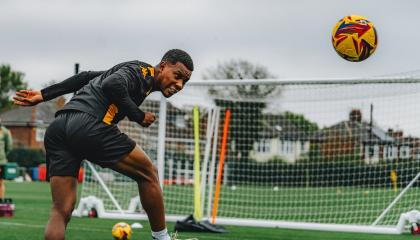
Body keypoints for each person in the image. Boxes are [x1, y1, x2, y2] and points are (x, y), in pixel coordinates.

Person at [13, 49, 193, 240]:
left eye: (185, 81)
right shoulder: (141, 72)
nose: (180, 84)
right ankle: (162, 237)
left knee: (61, 209)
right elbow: (112, 84)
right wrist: (138, 116)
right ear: (163, 66)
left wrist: (43, 94)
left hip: (58, 128)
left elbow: (84, 77)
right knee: (148, 173)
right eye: (178, 75)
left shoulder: (128, 71)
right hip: (89, 125)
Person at [0, 118, 13, 200]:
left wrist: (2, 156)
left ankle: (0, 200)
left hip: (1, 161)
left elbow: (9, 147)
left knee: (0, 182)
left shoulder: (5, 132)